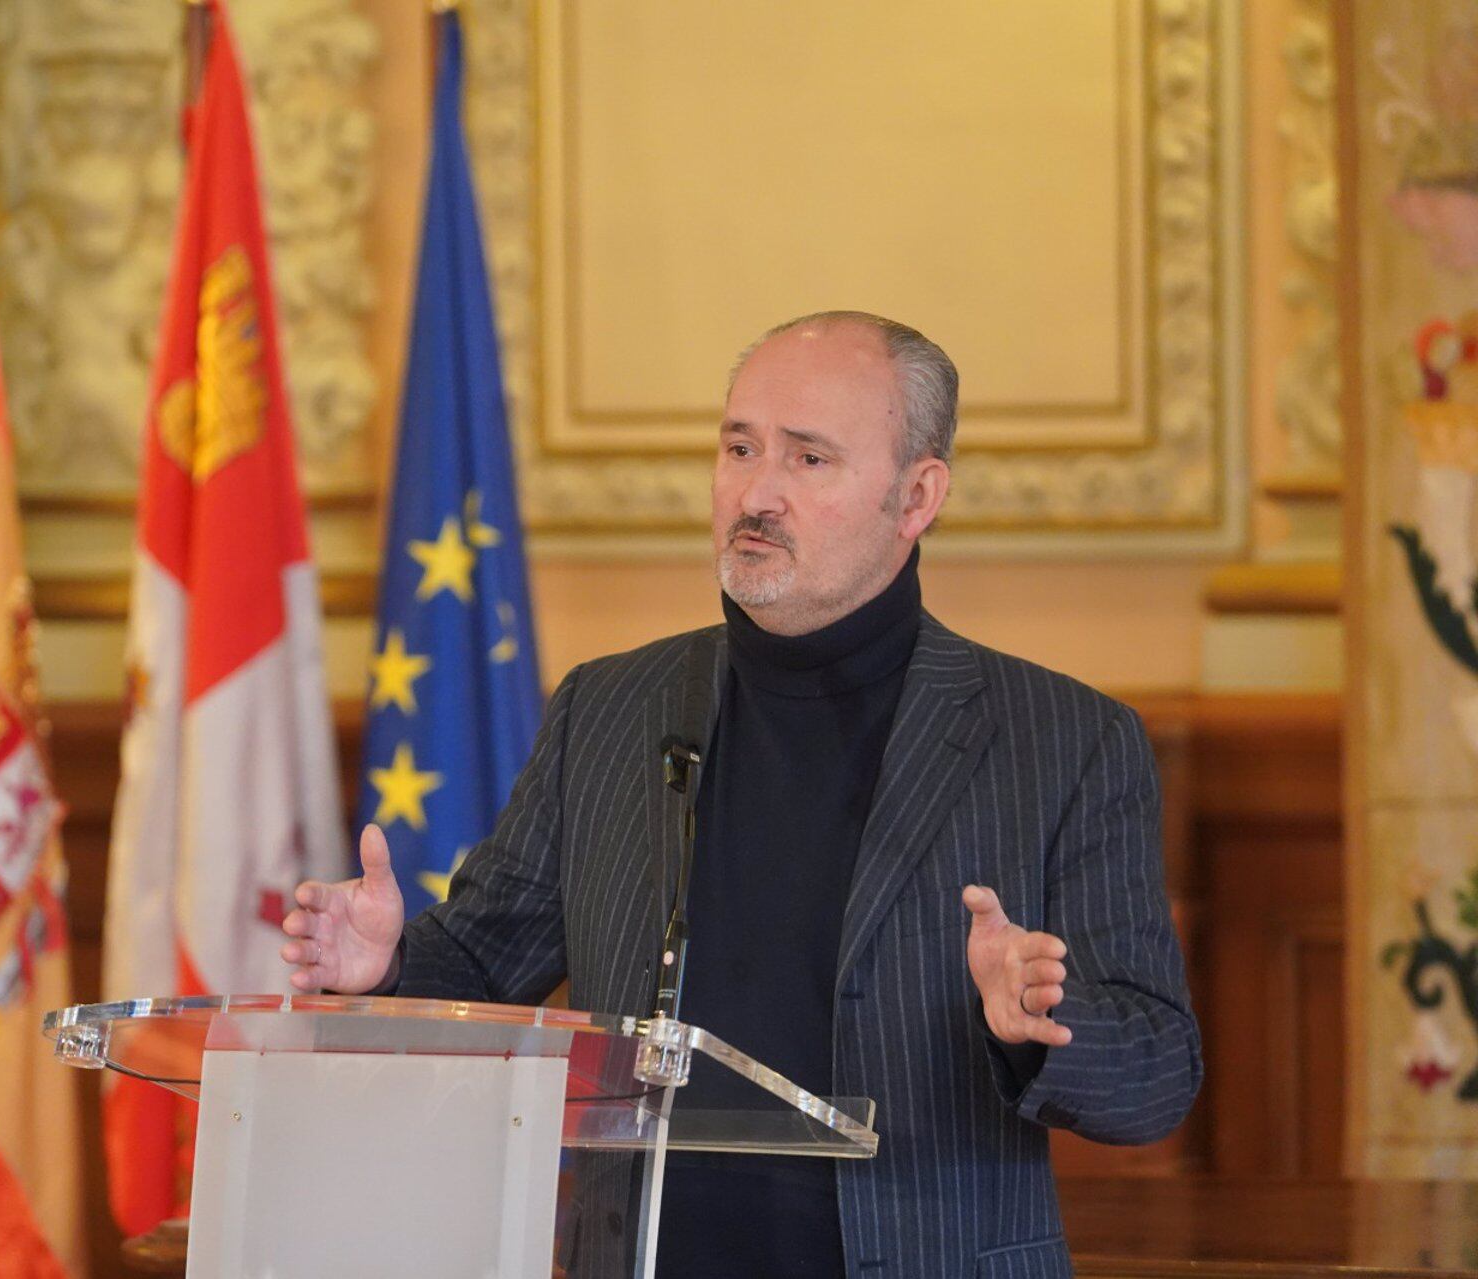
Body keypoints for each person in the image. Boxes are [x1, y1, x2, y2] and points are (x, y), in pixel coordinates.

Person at [280, 311, 1202, 1278]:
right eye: (739, 447)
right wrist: (382, 964)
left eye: (809, 459)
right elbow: (482, 960)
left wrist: (1038, 1022)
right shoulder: (610, 707)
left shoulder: (1062, 739)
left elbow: (1156, 1078)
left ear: (917, 495)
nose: (756, 492)